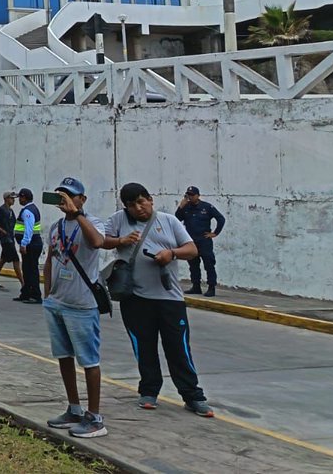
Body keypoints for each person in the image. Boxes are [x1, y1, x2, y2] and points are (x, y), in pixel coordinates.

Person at [106, 182, 213, 417]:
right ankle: (149, 391)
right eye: (132, 205)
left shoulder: (169, 221)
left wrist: (171, 253)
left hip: (169, 298)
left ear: (150, 199)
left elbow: (192, 249)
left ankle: (193, 396)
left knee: (178, 348)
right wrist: (121, 241)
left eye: (141, 202)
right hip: (134, 298)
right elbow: (99, 241)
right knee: (143, 348)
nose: (138, 208)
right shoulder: (117, 221)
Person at [43, 177, 109, 439]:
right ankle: (74, 408)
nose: (66, 200)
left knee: (89, 360)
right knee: (64, 357)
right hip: (57, 303)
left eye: (71, 195)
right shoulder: (56, 226)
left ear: (82, 199)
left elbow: (96, 242)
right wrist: (47, 294)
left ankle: (95, 417)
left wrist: (78, 214)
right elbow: (50, 260)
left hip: (82, 305)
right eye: (62, 196)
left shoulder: (92, 222)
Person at [175, 186, 226, 296]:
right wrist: (181, 206)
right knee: (193, 264)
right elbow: (177, 219)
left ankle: (211, 287)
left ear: (198, 195)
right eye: (188, 195)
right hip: (191, 241)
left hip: (204, 240)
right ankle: (196, 286)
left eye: (192, 195)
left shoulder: (206, 207)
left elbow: (221, 219)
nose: (190, 197)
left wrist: (215, 233)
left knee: (208, 264)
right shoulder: (186, 207)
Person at [13, 187, 43, 304]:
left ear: (24, 197)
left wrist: (24, 244)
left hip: (31, 245)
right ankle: (25, 293)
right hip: (33, 244)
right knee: (27, 269)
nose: (19, 200)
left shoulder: (28, 211)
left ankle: (35, 295)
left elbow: (29, 229)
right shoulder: (32, 208)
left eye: (20, 197)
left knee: (31, 270)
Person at [0, 190, 22, 290]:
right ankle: (23, 283)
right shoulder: (2, 210)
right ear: (6, 199)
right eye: (12, 198)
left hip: (11, 238)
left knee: (3, 259)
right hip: (6, 239)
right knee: (16, 259)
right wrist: (0, 229)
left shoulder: (11, 211)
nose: (13, 200)